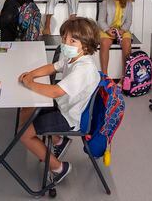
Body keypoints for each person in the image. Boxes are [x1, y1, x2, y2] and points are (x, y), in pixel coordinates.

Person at [18, 17, 100, 184]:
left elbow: (55, 91)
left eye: (72, 40)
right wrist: (31, 74)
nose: (66, 43)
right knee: (28, 105)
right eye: (64, 38)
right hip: (64, 106)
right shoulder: (74, 57)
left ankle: (59, 168)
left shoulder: (84, 69)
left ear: (86, 45)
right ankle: (59, 141)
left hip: (69, 117)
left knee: (24, 135)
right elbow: (53, 67)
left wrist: (30, 83)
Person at [98, 0, 133, 82]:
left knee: (127, 44)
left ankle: (124, 76)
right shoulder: (105, 2)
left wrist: (122, 30)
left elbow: (128, 21)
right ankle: (105, 75)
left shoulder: (128, 3)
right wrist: (107, 30)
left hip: (122, 30)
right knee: (104, 43)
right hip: (107, 30)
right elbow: (101, 21)